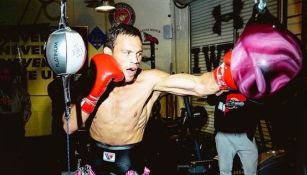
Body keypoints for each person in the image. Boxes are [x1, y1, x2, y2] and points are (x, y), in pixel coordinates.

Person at [62, 23, 302, 175]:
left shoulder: (149, 80)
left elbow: (198, 86)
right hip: (93, 165)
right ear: (107, 54)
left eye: (138, 54)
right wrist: (94, 93)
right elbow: (68, 126)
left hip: (130, 166)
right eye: (126, 53)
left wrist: (231, 72)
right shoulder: (90, 80)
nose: (135, 60)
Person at [208, 90, 260, 175]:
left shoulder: (248, 83)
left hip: (245, 135)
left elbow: (259, 106)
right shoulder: (222, 84)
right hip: (224, 136)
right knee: (225, 171)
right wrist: (218, 92)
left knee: (251, 171)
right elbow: (210, 101)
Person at [0, 61, 31, 173]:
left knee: (17, 153)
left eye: (8, 74)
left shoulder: (19, 90)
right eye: (3, 74)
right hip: (2, 123)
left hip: (16, 122)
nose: (5, 77)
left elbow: (27, 104)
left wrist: (23, 120)